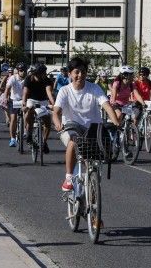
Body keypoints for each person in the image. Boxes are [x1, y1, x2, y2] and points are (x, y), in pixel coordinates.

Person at [52, 57, 121, 192]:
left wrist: (116, 122)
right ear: (70, 74)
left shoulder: (94, 88)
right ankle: (69, 177)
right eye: (76, 72)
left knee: (92, 165)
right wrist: (58, 123)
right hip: (71, 127)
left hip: (92, 129)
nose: (80, 75)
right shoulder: (64, 90)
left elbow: (106, 105)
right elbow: (56, 112)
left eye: (83, 72)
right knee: (74, 140)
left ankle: (92, 198)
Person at [22, 62, 55, 154]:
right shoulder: (29, 79)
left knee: (48, 121)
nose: (44, 74)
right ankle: (29, 132)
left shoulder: (47, 80)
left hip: (43, 101)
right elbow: (25, 93)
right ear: (37, 73)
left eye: (45, 72)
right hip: (31, 100)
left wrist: (53, 104)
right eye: (42, 73)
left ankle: (44, 142)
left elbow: (49, 92)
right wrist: (24, 105)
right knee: (29, 110)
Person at [4, 63, 27, 147]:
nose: (23, 72)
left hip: (24, 100)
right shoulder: (13, 78)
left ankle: (25, 131)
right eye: (21, 70)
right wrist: (6, 98)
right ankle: (12, 139)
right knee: (13, 119)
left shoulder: (28, 78)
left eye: (24, 70)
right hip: (14, 100)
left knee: (27, 115)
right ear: (18, 71)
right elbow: (7, 88)